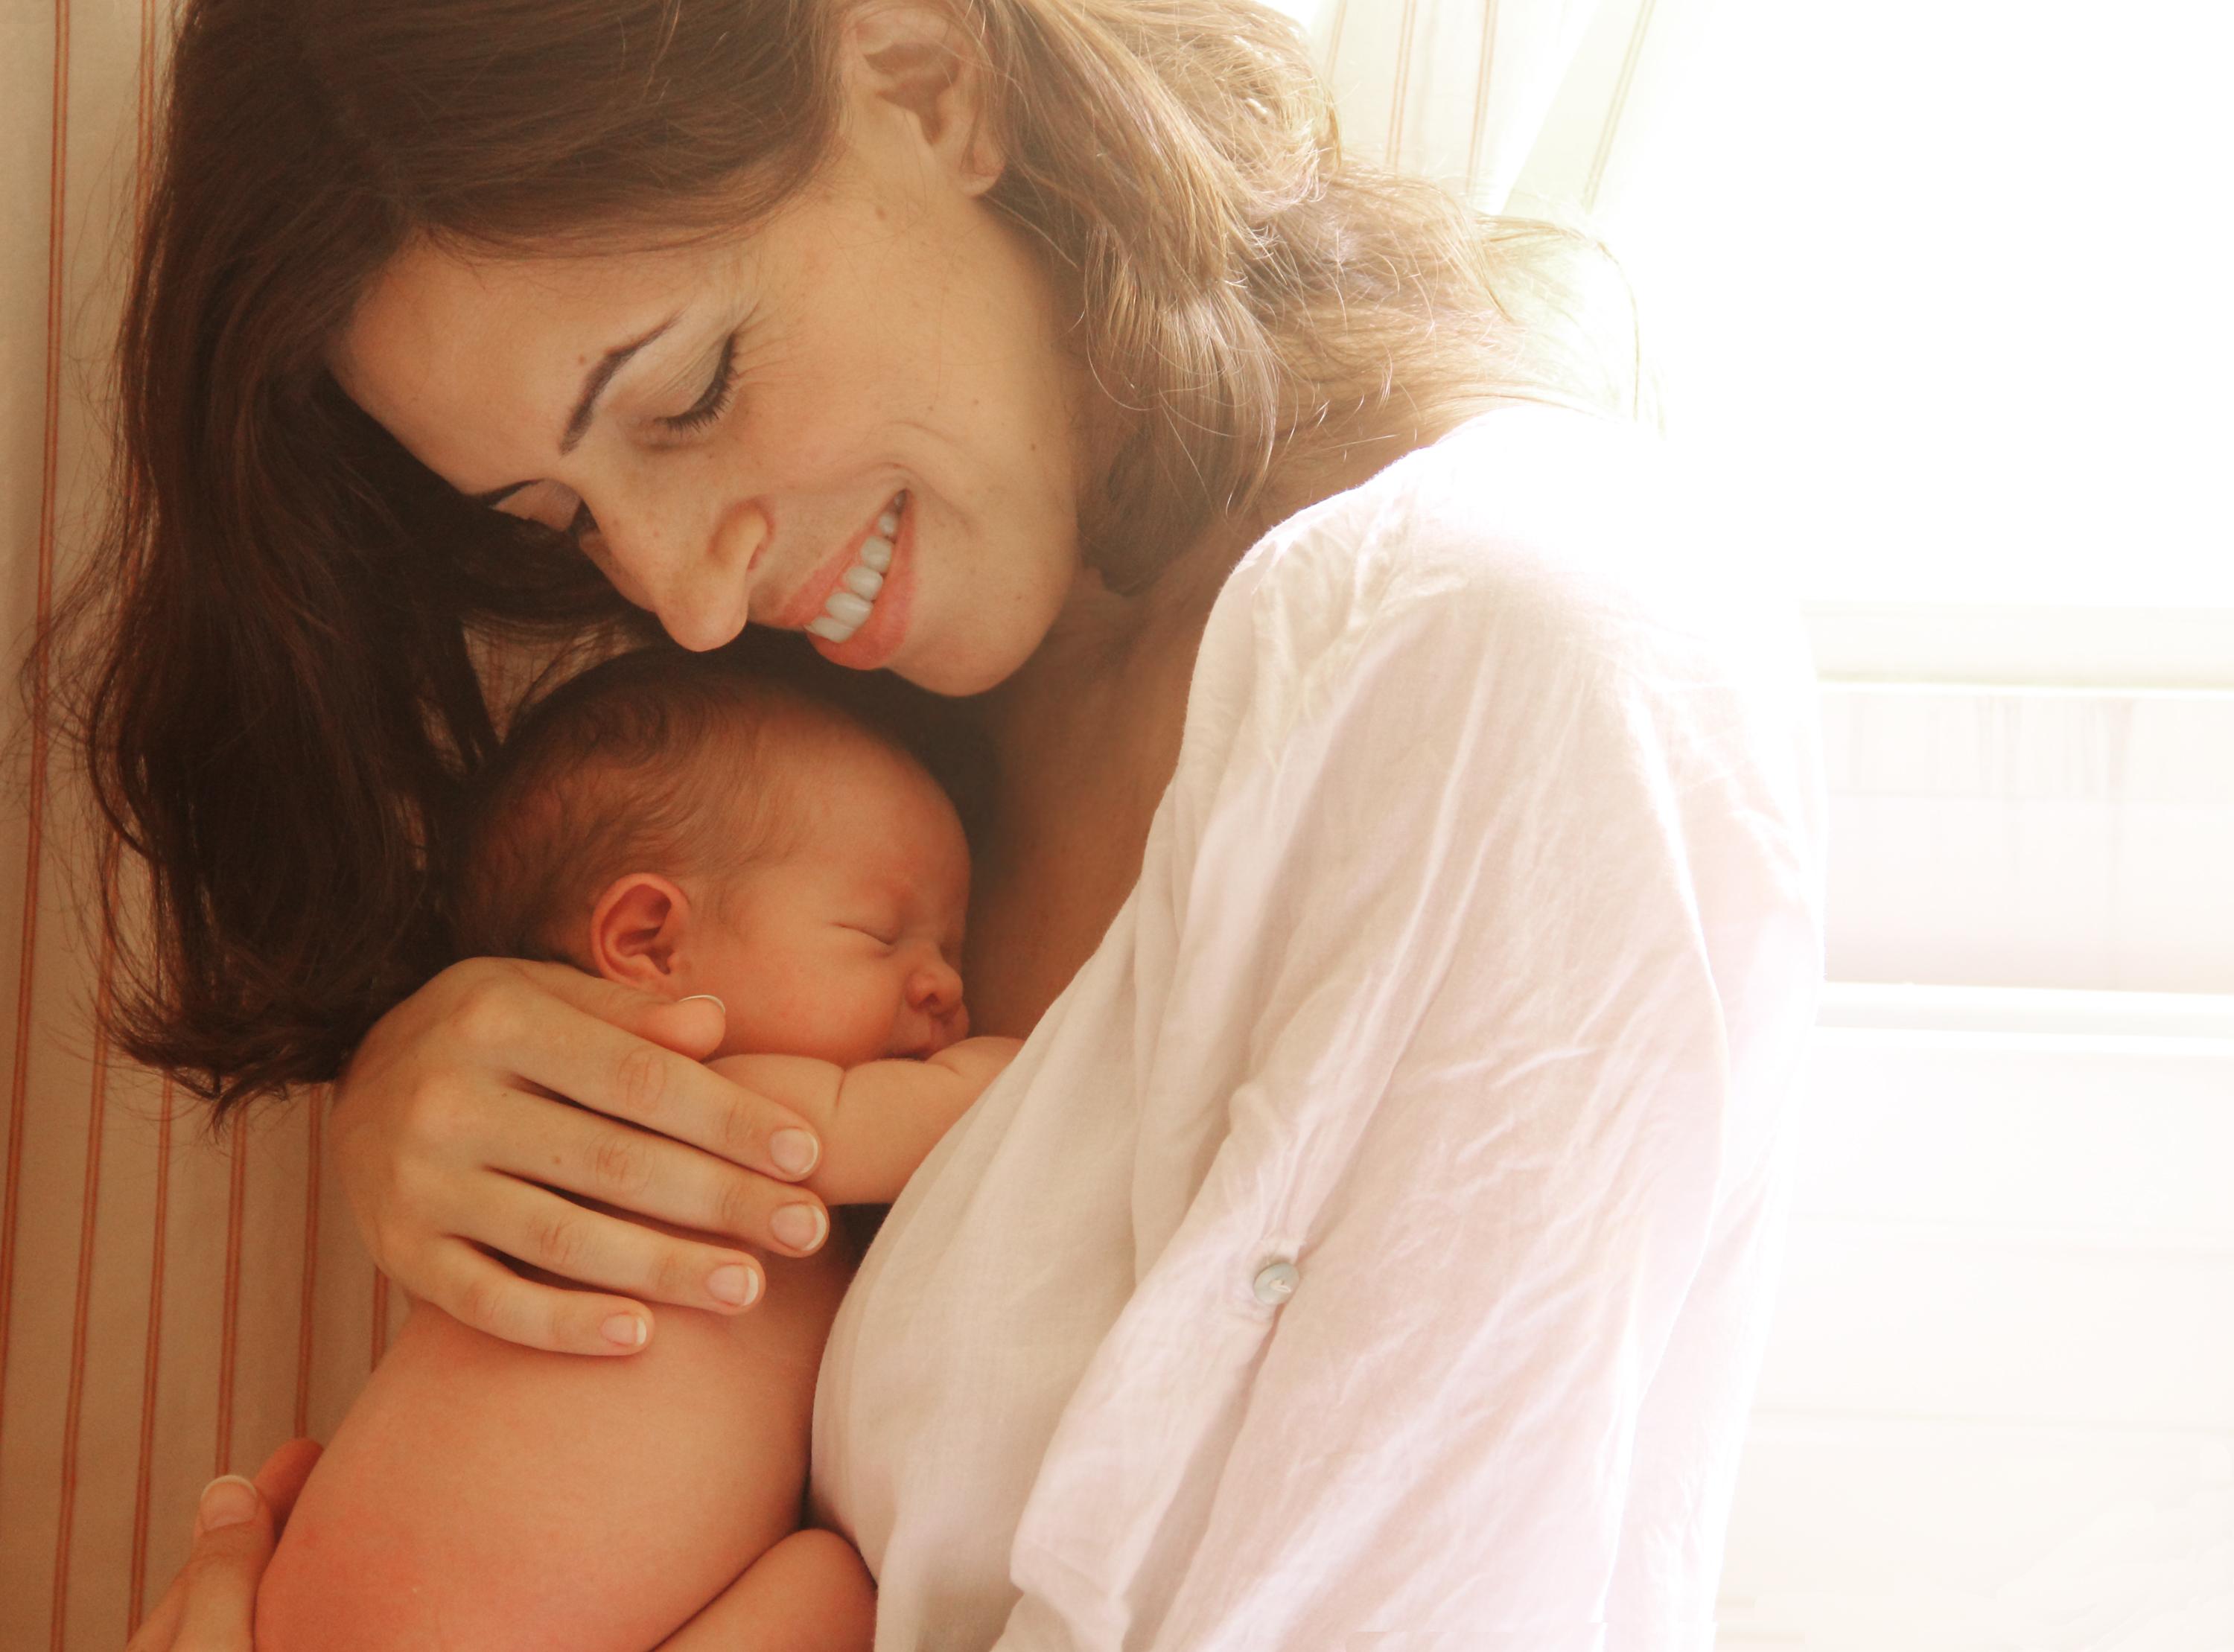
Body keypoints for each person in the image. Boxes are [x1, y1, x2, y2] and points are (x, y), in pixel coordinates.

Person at [83, 1, 1826, 1647]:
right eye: (561, 517)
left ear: (931, 81)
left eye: (689, 393)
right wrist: (451, 1083)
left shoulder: (1506, 655)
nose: (686, 595)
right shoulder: (866, 747)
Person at [254, 647, 1018, 1651]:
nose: (943, 986)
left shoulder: (538, 1146)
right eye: (882, 936)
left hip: (339, 1607)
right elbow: (960, 1113)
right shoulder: (694, 1106)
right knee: (836, 1590)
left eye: (951, 949)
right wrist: (1027, 1049)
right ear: (653, 941)